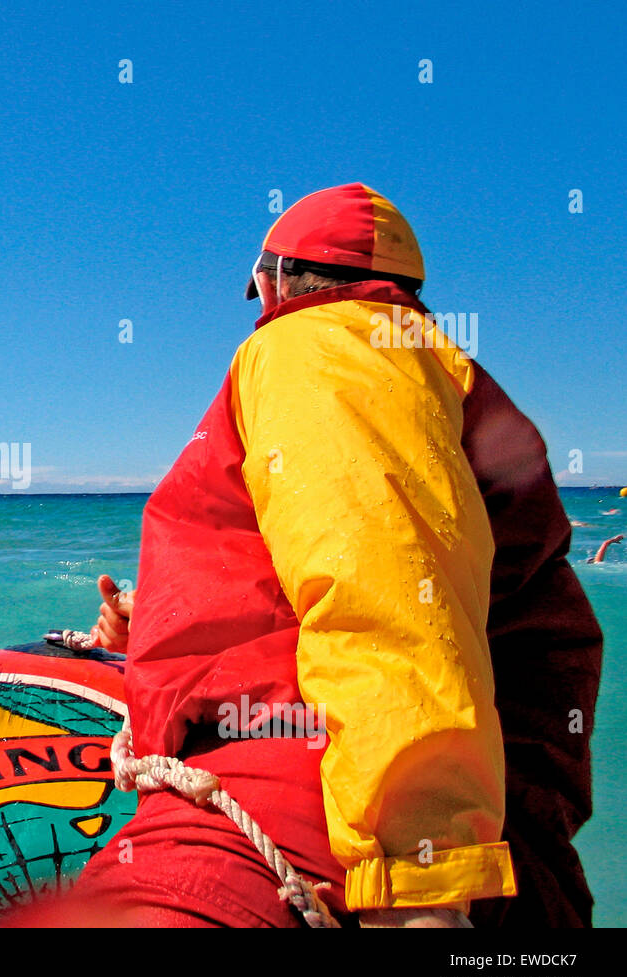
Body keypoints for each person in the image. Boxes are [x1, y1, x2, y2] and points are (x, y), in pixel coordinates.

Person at [36, 183, 601, 929]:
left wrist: (419, 889)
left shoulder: (319, 346)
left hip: (316, 823)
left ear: (274, 280)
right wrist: (159, 633)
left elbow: (387, 592)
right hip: (485, 835)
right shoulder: (426, 368)